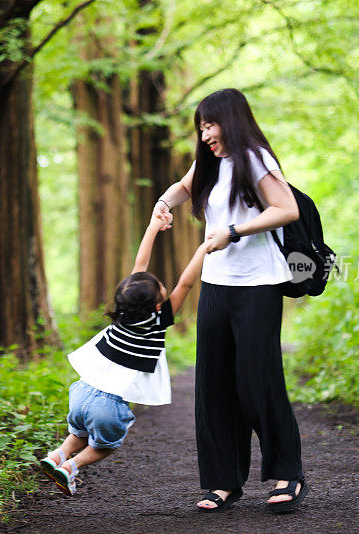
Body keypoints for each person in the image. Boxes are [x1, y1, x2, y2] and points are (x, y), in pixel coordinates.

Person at [153, 88, 309, 513]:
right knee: (215, 383)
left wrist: (234, 232)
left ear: (232, 120)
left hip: (258, 283)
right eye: (201, 128)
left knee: (257, 379)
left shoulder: (255, 158)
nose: (205, 135)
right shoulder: (211, 164)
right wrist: (163, 205)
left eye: (210, 125)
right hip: (217, 283)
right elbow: (183, 188)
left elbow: (286, 208)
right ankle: (223, 482)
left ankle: (288, 473)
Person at [39, 212, 208, 496]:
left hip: (81, 393)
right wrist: (203, 248)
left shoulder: (121, 314)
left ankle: (56, 456)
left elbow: (139, 265)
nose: (165, 289)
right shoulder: (158, 321)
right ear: (157, 306)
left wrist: (153, 226)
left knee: (77, 433)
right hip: (109, 405)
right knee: (103, 447)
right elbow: (186, 285)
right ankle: (71, 466)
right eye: (161, 291)